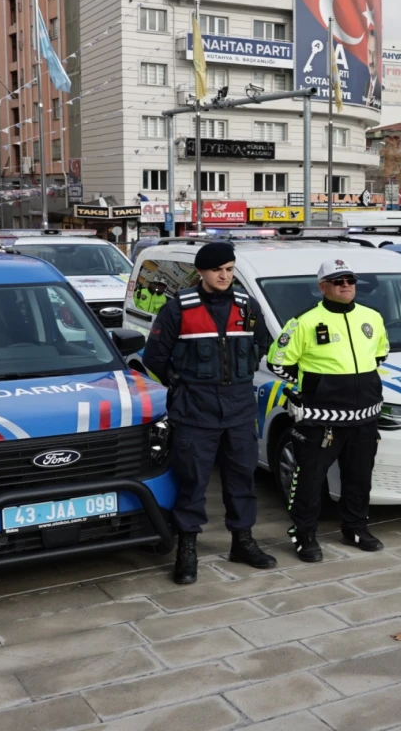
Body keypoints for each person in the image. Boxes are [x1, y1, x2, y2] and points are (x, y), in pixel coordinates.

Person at [144, 241, 275, 585]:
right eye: (217, 270)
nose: (224, 275)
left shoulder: (247, 306)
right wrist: (183, 386)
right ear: (201, 272)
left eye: (229, 269)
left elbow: (260, 345)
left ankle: (242, 542)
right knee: (193, 482)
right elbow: (154, 358)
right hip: (195, 409)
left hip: (239, 408)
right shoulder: (178, 309)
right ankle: (187, 550)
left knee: (242, 479)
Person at [268, 258, 390, 562]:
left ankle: (355, 527)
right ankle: (303, 534)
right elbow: (277, 362)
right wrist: (315, 387)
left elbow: (380, 355)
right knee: (309, 479)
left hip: (364, 416)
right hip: (321, 419)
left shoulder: (372, 317)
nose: (346, 285)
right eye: (338, 281)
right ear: (323, 287)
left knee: (359, 477)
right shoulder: (305, 321)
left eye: (350, 280)